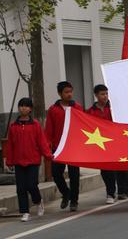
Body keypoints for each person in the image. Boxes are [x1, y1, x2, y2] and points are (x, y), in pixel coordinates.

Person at [6, 98, 52, 222]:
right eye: (21, 106)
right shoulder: (13, 126)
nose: (23, 108)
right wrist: (9, 161)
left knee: (32, 185)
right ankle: (25, 212)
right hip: (18, 161)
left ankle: (38, 201)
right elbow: (10, 145)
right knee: (20, 188)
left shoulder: (35, 124)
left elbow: (42, 142)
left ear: (30, 109)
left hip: (33, 161)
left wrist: (48, 155)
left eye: (26, 106)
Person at [88, 85, 128, 203]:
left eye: (106, 94)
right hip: (101, 143)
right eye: (102, 94)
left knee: (120, 166)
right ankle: (110, 193)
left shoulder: (114, 108)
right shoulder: (91, 112)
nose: (105, 96)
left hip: (116, 142)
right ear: (96, 95)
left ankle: (124, 189)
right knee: (106, 169)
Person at [45, 81, 83, 211]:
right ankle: (66, 193)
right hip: (58, 147)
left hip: (74, 147)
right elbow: (49, 130)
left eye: (70, 91)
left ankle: (74, 201)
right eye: (66, 92)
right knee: (56, 173)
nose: (69, 94)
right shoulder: (53, 110)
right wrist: (47, 147)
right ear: (60, 93)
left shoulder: (77, 107)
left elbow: (83, 125)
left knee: (74, 175)